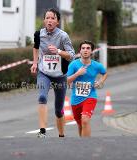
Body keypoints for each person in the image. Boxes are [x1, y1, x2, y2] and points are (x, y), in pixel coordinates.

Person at [30, 8, 75, 138]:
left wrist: (59, 51)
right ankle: (42, 131)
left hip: (60, 76)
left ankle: (61, 135)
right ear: (44, 20)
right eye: (47, 18)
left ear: (57, 21)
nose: (49, 21)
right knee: (42, 97)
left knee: (59, 110)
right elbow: (36, 47)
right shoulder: (39, 34)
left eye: (53, 18)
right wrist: (34, 63)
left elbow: (72, 55)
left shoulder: (63, 36)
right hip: (44, 73)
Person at [67, 40, 108, 137]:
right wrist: (77, 73)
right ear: (80, 51)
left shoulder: (96, 65)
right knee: (80, 124)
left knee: (85, 120)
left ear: (91, 51)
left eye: (88, 48)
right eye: (83, 48)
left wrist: (100, 82)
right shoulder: (74, 65)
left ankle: (87, 144)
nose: (85, 50)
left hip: (90, 96)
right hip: (75, 99)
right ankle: (82, 145)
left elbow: (105, 73)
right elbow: (67, 81)